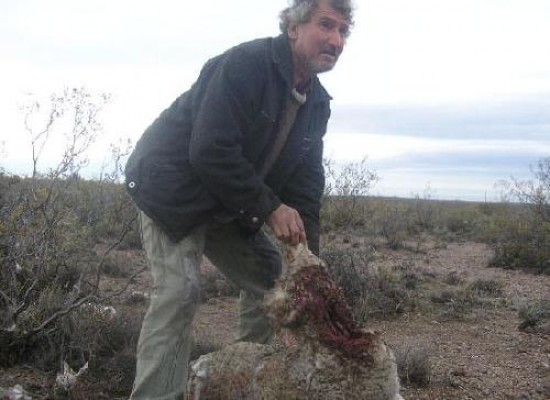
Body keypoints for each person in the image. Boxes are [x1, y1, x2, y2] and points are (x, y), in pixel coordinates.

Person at [124, 0, 353, 398]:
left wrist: (308, 263)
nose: (335, 40)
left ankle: (246, 387)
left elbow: (304, 189)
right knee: (180, 292)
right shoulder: (245, 65)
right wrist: (269, 207)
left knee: (280, 287)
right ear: (293, 27)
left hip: (228, 197)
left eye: (343, 31)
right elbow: (210, 150)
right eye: (326, 25)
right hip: (172, 189)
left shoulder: (316, 103)